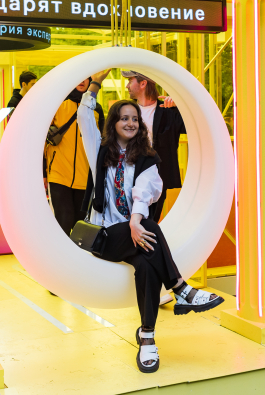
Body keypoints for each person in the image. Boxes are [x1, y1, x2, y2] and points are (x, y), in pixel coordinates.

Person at [78, 70, 224, 373]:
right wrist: (95, 83)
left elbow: (144, 193)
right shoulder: (99, 151)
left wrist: (134, 221)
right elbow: (83, 114)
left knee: (146, 265)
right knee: (150, 227)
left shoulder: (147, 157)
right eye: (124, 118)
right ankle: (181, 287)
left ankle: (147, 337)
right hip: (105, 237)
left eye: (135, 118)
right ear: (113, 123)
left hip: (134, 234)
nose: (131, 122)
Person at [122, 70, 186, 223]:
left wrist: (182, 105)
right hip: (131, 177)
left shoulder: (169, 111)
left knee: (151, 222)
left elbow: (197, 125)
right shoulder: (125, 112)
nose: (126, 86)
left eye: (130, 81)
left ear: (143, 83)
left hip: (160, 177)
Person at [45, 78, 104, 235]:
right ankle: (58, 258)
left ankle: (76, 259)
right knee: (63, 220)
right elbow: (41, 139)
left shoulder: (96, 109)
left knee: (81, 226)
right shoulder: (57, 104)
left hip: (85, 177)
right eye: (79, 77)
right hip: (58, 174)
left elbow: (102, 142)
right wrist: (43, 174)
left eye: (86, 78)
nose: (82, 81)